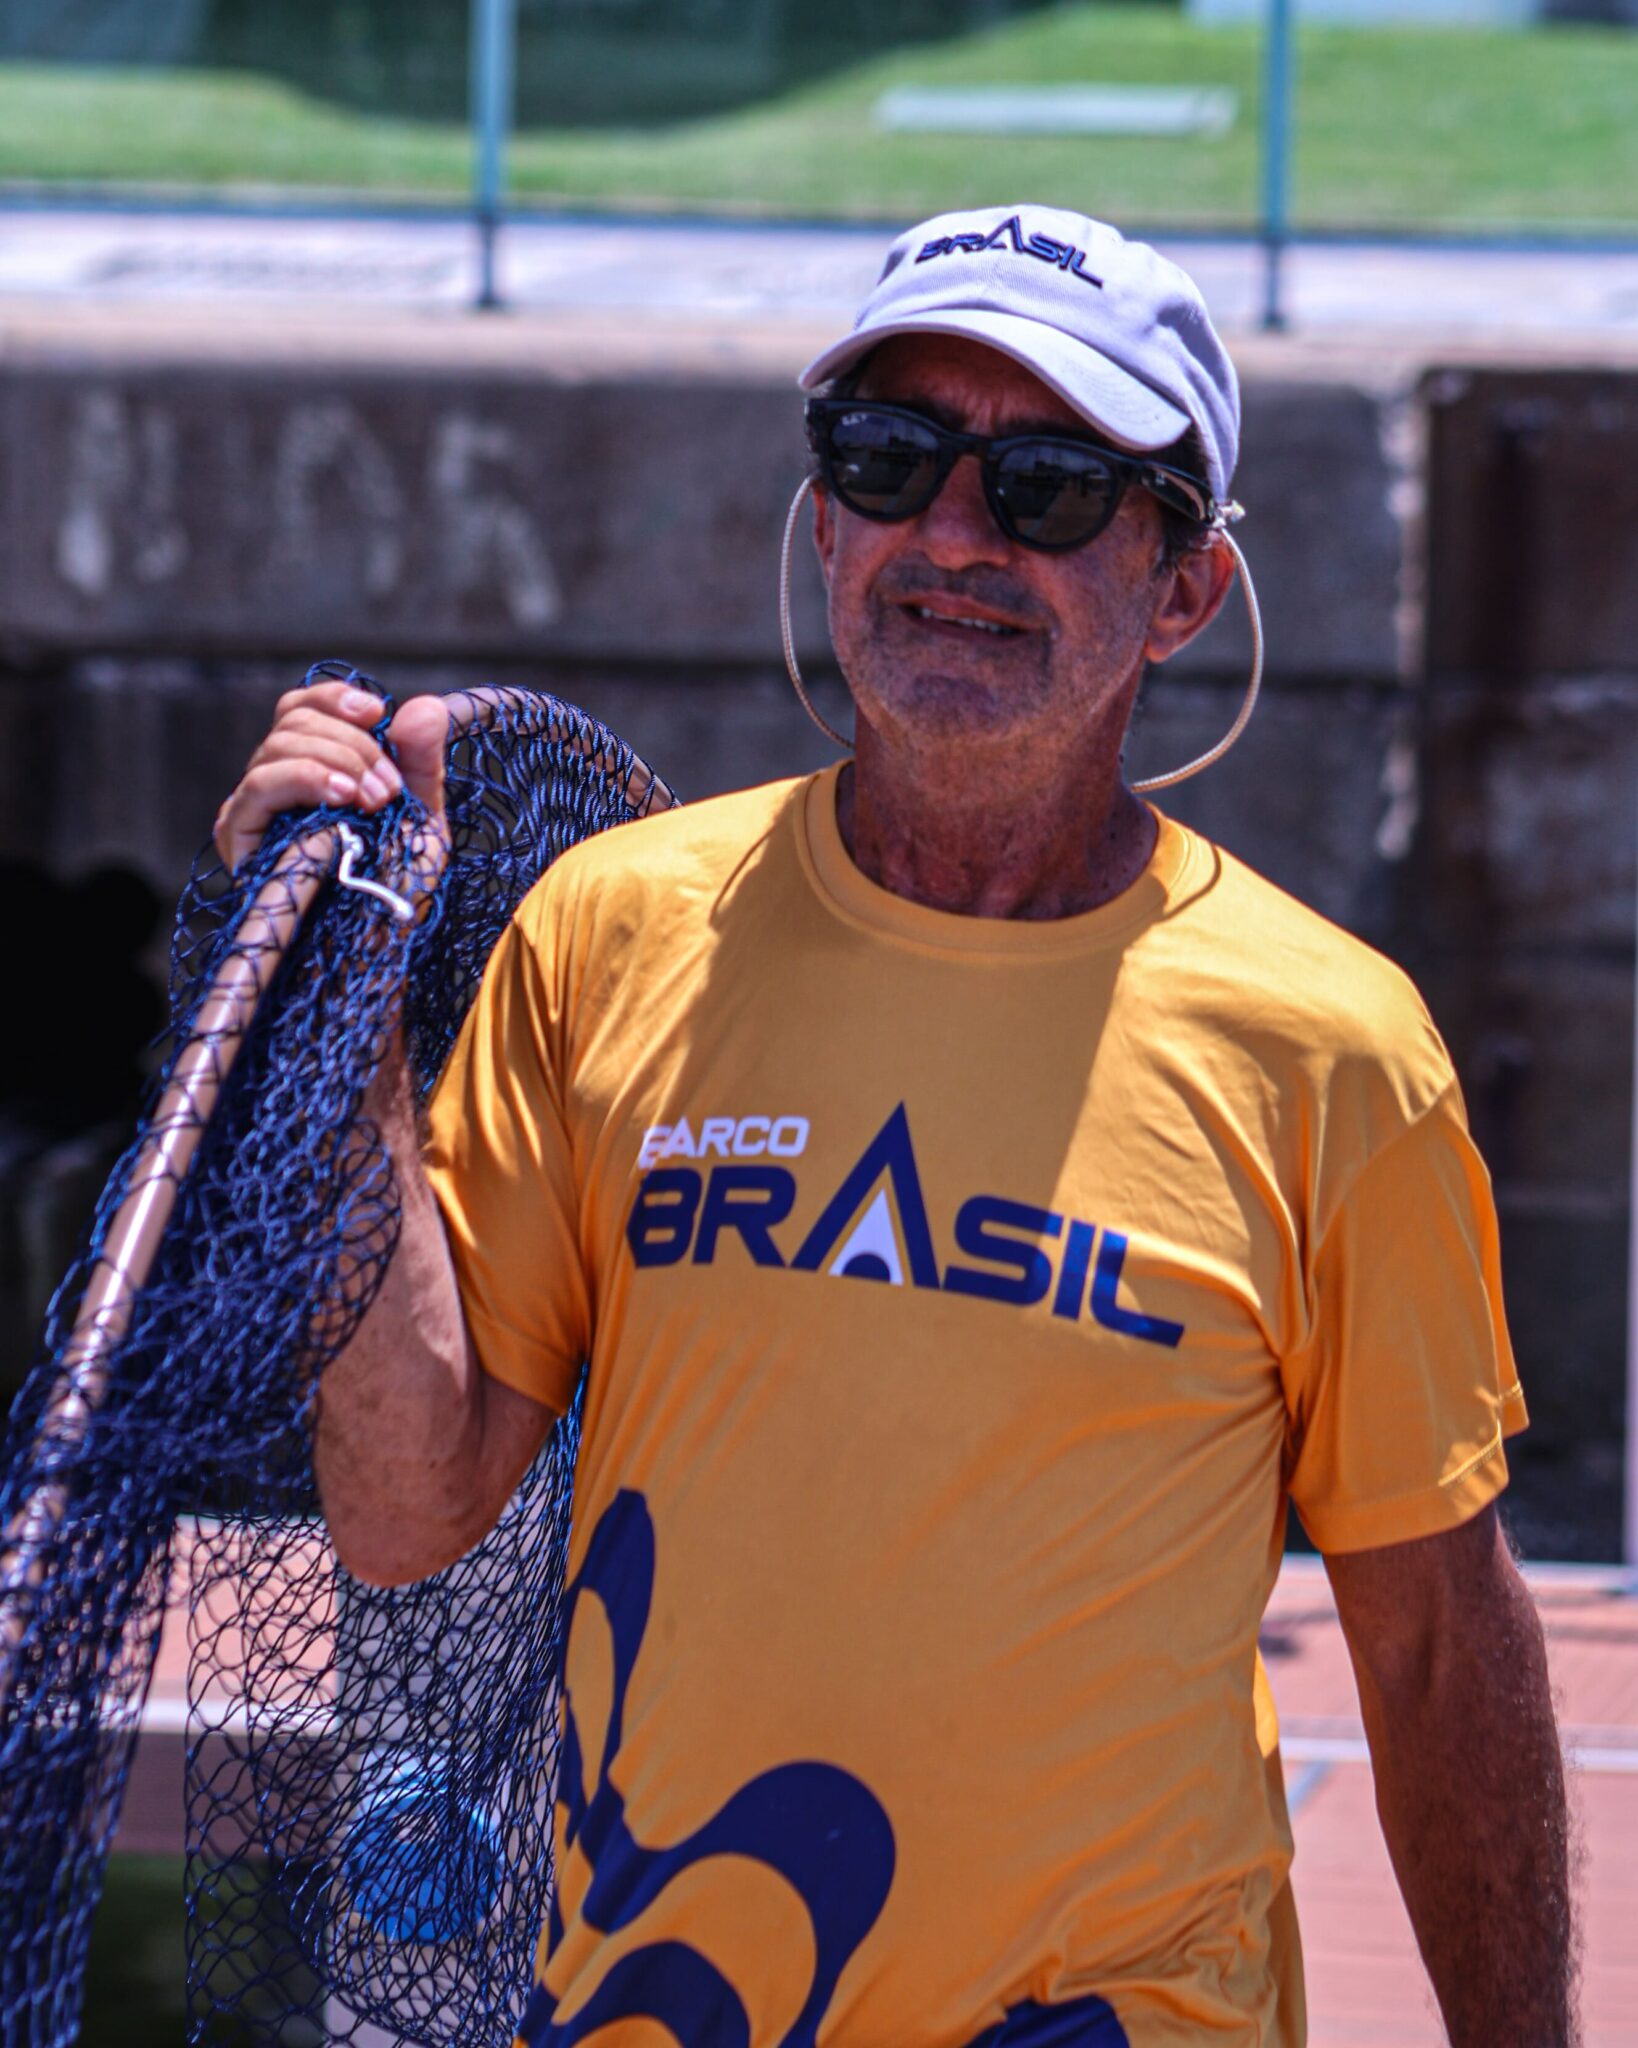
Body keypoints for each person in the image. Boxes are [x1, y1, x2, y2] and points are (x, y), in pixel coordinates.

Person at [214, 206, 1576, 2048]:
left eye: (1046, 489)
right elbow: (407, 1514)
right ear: (824, 520)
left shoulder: (1331, 1052)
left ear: (1183, 588)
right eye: (887, 458)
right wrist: (346, 1024)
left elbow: (1432, 1644)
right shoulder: (610, 933)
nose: (951, 534)